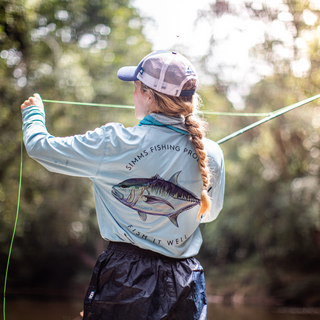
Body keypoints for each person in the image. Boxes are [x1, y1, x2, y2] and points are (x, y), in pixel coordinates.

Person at [21, 50, 225, 320]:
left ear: (149, 95)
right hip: (185, 279)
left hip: (124, 278)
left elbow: (39, 147)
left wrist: (33, 115)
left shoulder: (113, 142)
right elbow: (208, 213)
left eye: (136, 88)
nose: (134, 95)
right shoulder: (213, 153)